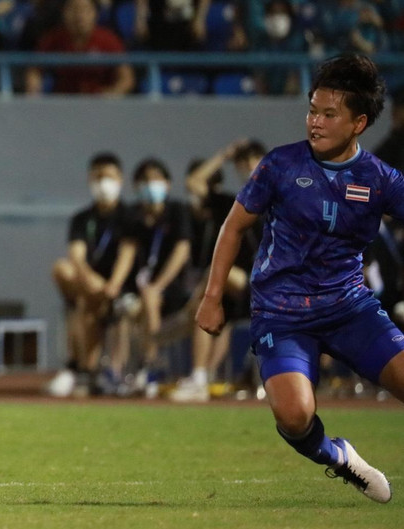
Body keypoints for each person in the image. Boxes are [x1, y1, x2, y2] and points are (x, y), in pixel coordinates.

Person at [196, 54, 404, 503]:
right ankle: (338, 457)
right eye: (312, 109)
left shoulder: (381, 179)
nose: (315, 121)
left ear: (358, 123)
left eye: (330, 114)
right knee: (294, 416)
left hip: (350, 308)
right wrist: (212, 296)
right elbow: (233, 226)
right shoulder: (280, 166)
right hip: (281, 313)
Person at [171, 140, 264, 402]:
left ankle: (201, 375)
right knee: (216, 306)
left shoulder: (280, 196)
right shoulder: (232, 203)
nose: (248, 166)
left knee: (213, 284)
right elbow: (193, 182)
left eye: (253, 160)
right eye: (242, 163)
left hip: (273, 282)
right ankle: (204, 377)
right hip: (239, 285)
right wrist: (224, 154)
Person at [105, 159, 194, 397]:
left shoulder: (177, 211)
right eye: (144, 180)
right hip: (140, 291)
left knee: (150, 297)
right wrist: (114, 284)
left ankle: (151, 365)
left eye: (156, 179)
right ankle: (118, 373)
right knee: (125, 309)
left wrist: (158, 285)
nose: (150, 185)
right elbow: (127, 252)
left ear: (167, 183)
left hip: (173, 291)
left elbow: (181, 251)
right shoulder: (133, 217)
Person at [46, 152, 127, 398]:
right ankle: (86, 371)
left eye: (109, 176)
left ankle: (80, 368)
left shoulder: (128, 216)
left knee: (83, 306)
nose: (103, 183)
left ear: (120, 179)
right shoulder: (82, 219)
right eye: (98, 177)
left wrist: (113, 284)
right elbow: (76, 257)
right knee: (67, 276)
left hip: (119, 287)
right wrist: (90, 280)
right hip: (89, 285)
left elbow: (128, 254)